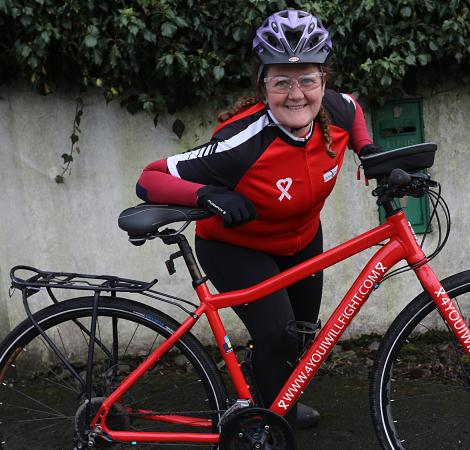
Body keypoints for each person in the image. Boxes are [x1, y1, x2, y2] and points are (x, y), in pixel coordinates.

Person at [135, 9, 377, 429]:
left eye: (307, 79)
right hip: (235, 248)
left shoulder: (335, 111)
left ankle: (272, 398)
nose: (296, 93)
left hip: (301, 240)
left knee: (300, 334)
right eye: (281, 80)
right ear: (263, 85)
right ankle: (267, 423)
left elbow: (355, 114)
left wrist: (369, 154)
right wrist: (209, 195)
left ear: (324, 80)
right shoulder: (241, 142)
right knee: (278, 334)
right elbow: (148, 178)